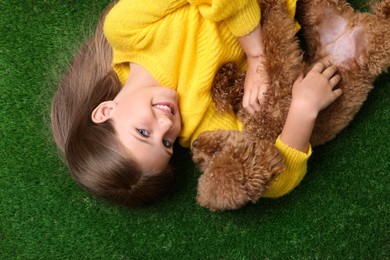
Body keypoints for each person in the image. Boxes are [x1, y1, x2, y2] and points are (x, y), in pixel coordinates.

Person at [51, 0, 342, 206]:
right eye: (166, 144)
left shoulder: (127, 31)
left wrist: (256, 55)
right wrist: (303, 110)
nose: (166, 125)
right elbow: (272, 177)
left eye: (143, 132)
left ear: (105, 111)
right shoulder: (200, 129)